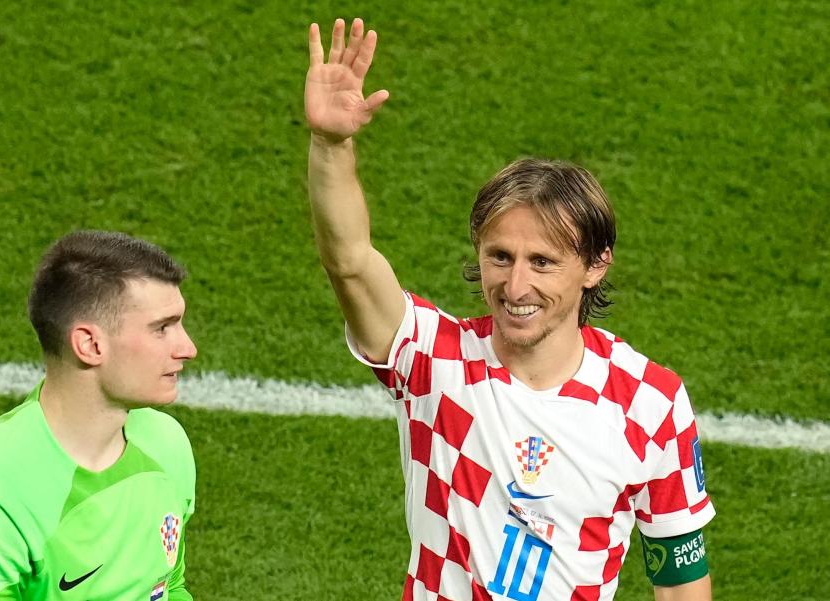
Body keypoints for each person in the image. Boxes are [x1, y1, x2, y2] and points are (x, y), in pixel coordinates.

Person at [305, 18, 714, 601]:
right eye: (500, 256)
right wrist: (331, 144)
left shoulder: (650, 402)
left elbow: (678, 581)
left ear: (596, 266)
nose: (515, 284)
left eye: (543, 262)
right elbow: (348, 260)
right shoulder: (434, 362)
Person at [0, 230, 198, 600]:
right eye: (162, 328)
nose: (188, 348)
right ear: (90, 344)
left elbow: (167, 587)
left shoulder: (165, 443)